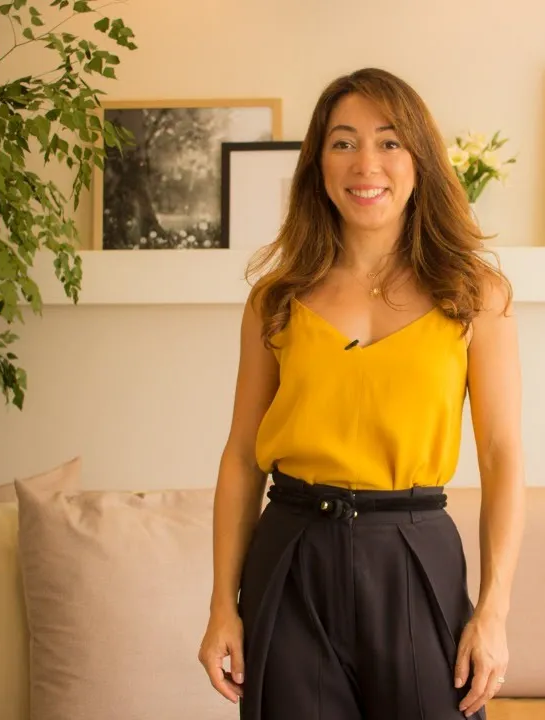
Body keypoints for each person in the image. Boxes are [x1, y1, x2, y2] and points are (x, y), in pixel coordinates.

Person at [197, 67, 526, 720]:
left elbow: (501, 456)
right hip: (291, 557)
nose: (365, 164)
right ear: (318, 164)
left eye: (389, 142)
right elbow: (241, 457)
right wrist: (220, 607)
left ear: (419, 160)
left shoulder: (476, 296)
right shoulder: (276, 300)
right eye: (343, 142)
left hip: (415, 553)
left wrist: (493, 611)